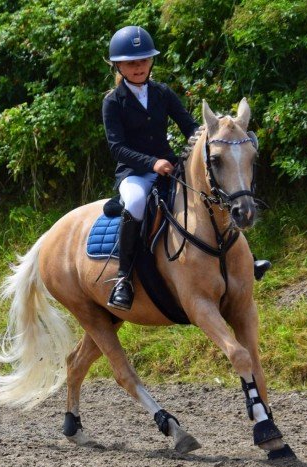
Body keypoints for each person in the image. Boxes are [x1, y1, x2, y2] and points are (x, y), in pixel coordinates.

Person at [102, 26, 270, 311]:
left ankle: (247, 259)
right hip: (135, 173)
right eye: (131, 62)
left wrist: (212, 139)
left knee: (214, 198)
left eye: (143, 60)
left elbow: (191, 127)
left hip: (170, 167)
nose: (139, 67)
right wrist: (151, 163)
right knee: (137, 203)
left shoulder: (162, 93)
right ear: (118, 65)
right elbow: (117, 147)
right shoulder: (112, 102)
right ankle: (124, 279)